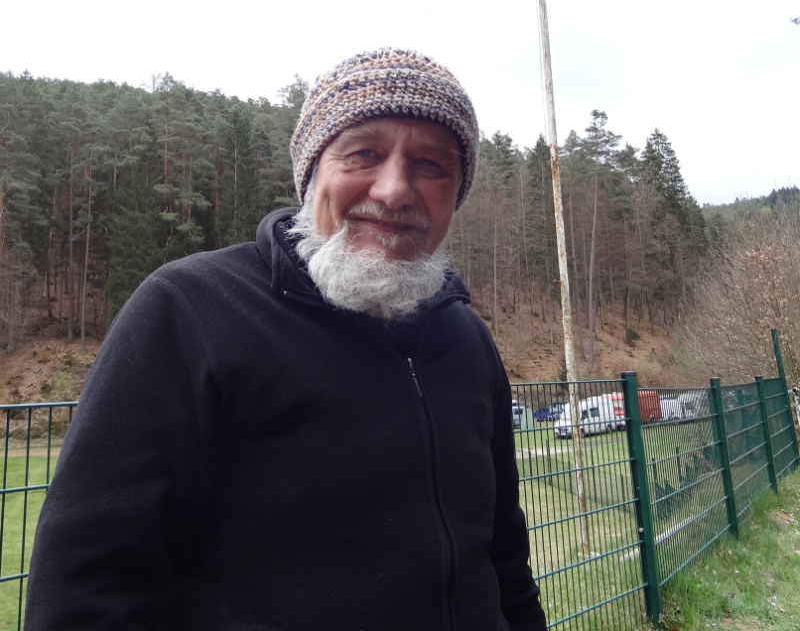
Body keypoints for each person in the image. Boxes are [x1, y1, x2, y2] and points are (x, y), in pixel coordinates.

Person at [25, 48, 548, 631]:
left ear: (456, 192)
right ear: (311, 170)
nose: (395, 190)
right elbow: (85, 592)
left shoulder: (469, 341)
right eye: (364, 153)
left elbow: (505, 565)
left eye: (431, 164)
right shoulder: (191, 312)